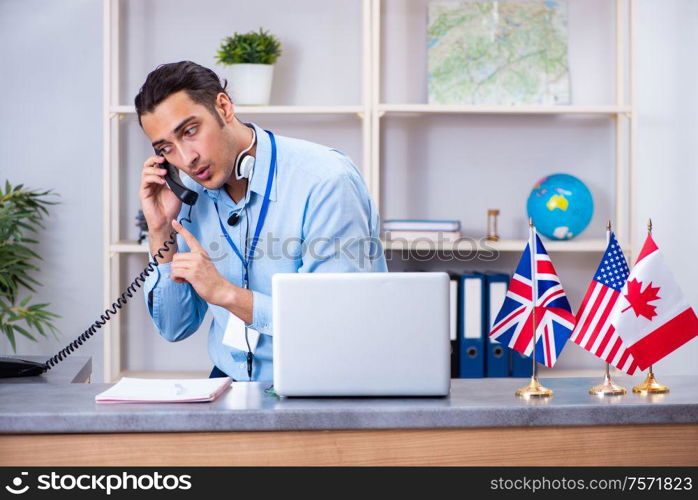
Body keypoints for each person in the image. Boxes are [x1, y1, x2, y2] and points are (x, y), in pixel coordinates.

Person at [136, 61, 387, 382]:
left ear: (223, 107)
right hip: (228, 381)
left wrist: (226, 294)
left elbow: (335, 321)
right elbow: (174, 327)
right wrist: (159, 230)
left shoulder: (325, 181)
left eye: (190, 131)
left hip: (320, 382)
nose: (186, 159)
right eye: (166, 148)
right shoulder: (187, 197)